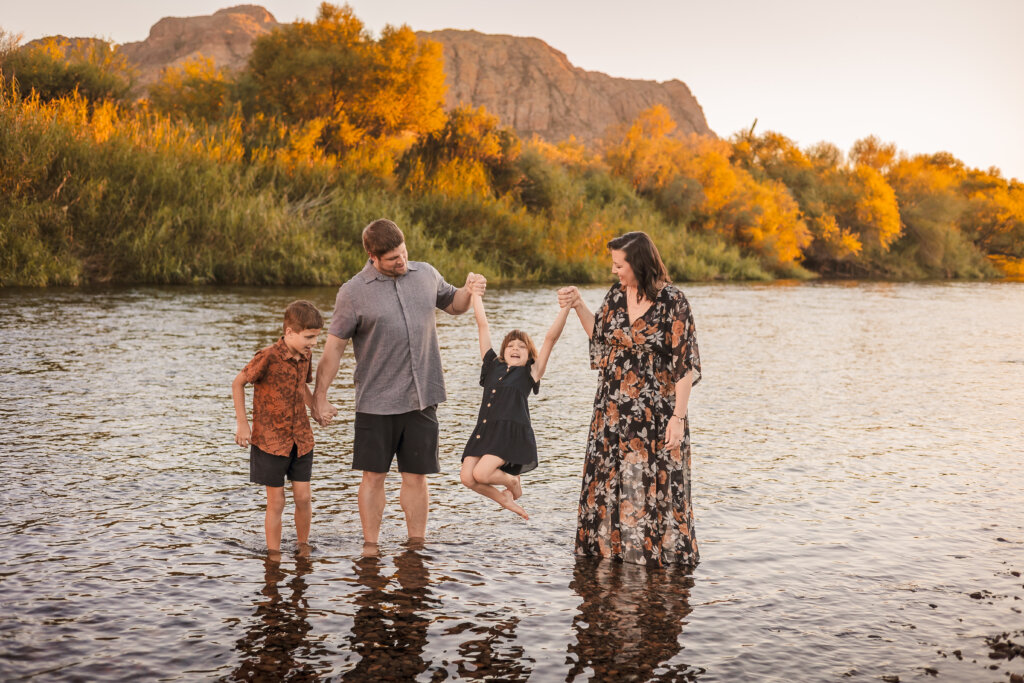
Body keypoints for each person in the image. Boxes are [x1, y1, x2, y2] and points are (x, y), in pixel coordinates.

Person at [312, 218, 484, 555]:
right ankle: (371, 547)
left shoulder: (426, 275)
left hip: (422, 399)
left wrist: (470, 289)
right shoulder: (352, 293)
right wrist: (320, 396)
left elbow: (456, 306)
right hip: (376, 403)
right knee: (373, 477)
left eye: (403, 254)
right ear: (372, 256)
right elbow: (333, 350)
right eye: (392, 259)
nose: (401, 262)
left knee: (417, 477)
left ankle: (416, 546)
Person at [559, 231, 701, 567]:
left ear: (638, 264)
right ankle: (611, 553)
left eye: (618, 264)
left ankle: (658, 558)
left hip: (656, 414)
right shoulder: (615, 296)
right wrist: (579, 304)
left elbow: (686, 367)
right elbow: (601, 335)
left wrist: (678, 419)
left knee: (655, 482)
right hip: (611, 412)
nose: (614, 270)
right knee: (609, 482)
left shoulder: (674, 302)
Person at [459, 290, 571, 520]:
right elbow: (483, 326)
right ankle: (503, 498)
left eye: (521, 346)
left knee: (482, 473)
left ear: (529, 354)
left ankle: (511, 481)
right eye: (511, 345)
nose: (515, 349)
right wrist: (475, 294)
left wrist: (566, 308)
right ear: (503, 351)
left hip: (509, 433)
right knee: (467, 478)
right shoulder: (492, 365)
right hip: (485, 429)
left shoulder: (530, 372)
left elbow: (550, 338)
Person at [232, 300, 324, 556]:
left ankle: (302, 546)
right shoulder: (267, 357)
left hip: (301, 439)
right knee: (277, 501)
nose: (314, 342)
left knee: (304, 497)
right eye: (309, 337)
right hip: (270, 441)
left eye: (316, 337)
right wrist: (243, 424)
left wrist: (315, 409)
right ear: (290, 332)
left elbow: (302, 386)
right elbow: (238, 383)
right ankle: (273, 555)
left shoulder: (306, 355)